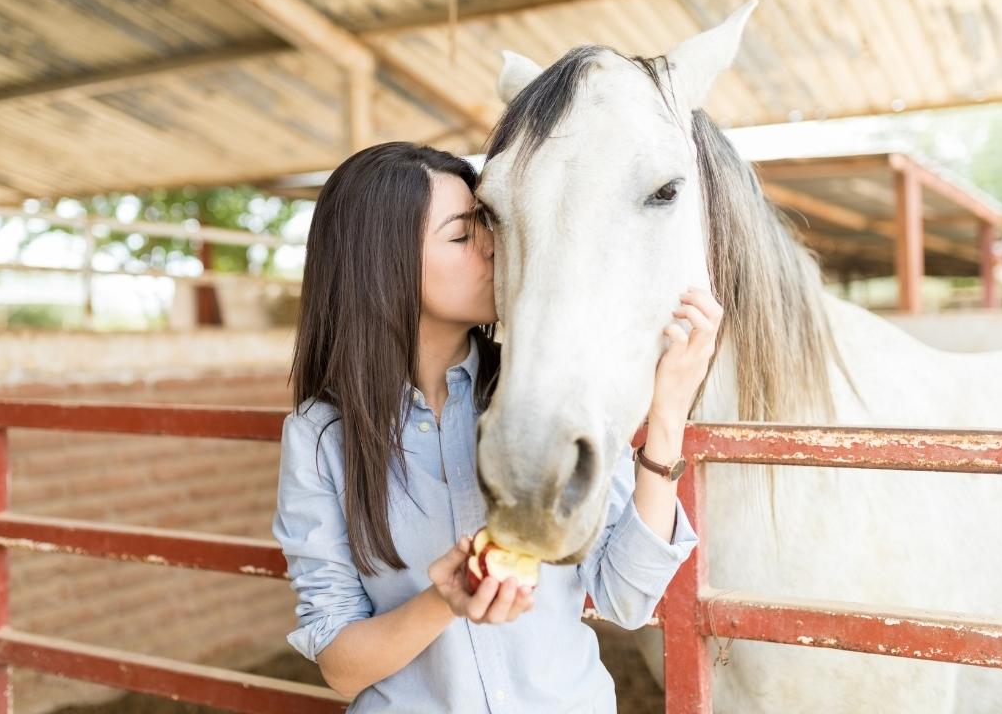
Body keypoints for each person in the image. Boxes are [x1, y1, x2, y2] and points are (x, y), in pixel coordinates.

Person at [272, 142, 722, 712]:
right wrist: (446, 599)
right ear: (380, 265)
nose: (494, 248)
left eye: (487, 226)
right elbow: (340, 668)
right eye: (462, 237)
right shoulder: (321, 439)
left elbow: (626, 596)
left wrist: (668, 410)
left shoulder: (544, 392)